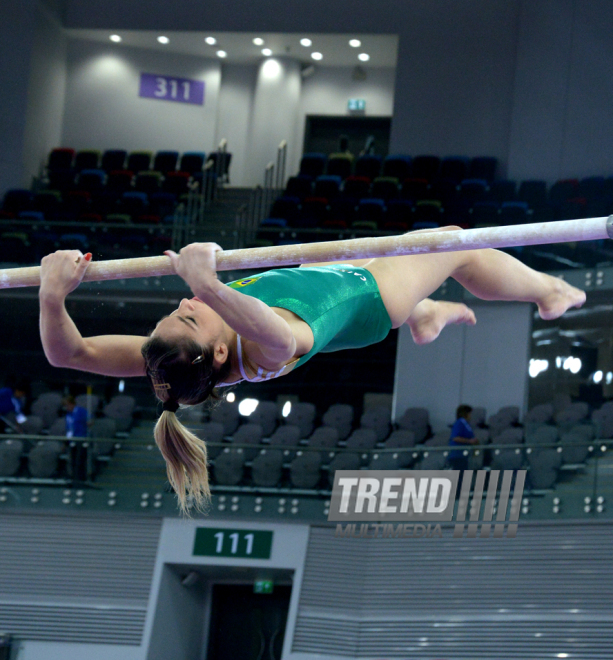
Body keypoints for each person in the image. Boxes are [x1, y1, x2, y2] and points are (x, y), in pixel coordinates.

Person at [38, 229, 586, 513]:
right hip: (369, 298)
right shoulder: (265, 350)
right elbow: (277, 333)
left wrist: (51, 295)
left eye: (181, 305)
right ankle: (549, 292)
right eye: (189, 313)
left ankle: (426, 315)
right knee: (456, 245)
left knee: (406, 265)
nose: (188, 302)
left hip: (329, 279)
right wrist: (206, 283)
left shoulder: (177, 360)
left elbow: (72, 355)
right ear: (222, 353)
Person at [62, 395, 89, 482]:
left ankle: (80, 479)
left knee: (80, 460)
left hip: (81, 439)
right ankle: (73, 477)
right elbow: (69, 428)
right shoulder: (68, 415)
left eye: (67, 405)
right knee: (72, 460)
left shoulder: (81, 411)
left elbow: (90, 420)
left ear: (71, 404)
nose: (66, 408)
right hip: (72, 440)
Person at [447, 404, 478, 472]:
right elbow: (455, 437)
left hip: (464, 456)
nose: (471, 415)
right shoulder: (459, 423)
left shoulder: (466, 424)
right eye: (470, 413)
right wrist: (470, 441)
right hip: (457, 455)